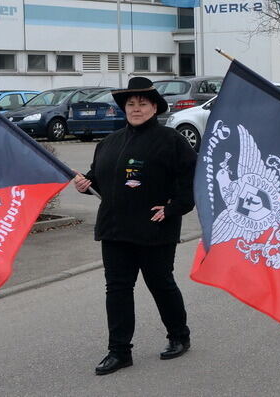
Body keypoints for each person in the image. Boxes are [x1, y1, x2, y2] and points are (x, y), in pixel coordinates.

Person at [72, 77, 197, 376]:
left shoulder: (171, 141)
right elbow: (98, 180)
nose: (136, 108)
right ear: (124, 108)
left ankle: (179, 335)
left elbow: (190, 183)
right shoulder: (108, 143)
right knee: (117, 289)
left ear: (154, 107)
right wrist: (83, 184)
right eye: (131, 104)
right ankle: (119, 351)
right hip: (115, 229)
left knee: (160, 283)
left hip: (155, 228)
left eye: (143, 103)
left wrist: (172, 208)